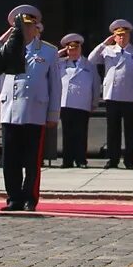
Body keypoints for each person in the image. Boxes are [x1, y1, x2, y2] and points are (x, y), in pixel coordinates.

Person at [0, 6, 58, 211]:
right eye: (20, 26)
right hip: (10, 110)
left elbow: (55, 85)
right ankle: (13, 197)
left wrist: (53, 113)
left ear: (36, 28)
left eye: (28, 26)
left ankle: (29, 198)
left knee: (32, 160)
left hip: (35, 110)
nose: (24, 29)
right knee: (10, 160)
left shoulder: (48, 51)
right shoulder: (7, 48)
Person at [90, 19, 133, 169]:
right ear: (114, 36)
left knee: (130, 130)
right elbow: (91, 59)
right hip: (112, 94)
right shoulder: (107, 50)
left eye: (124, 35)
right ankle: (113, 159)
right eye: (119, 35)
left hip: (130, 95)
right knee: (112, 129)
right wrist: (104, 43)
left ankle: (129, 160)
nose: (122, 38)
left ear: (129, 36)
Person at [55, 33, 95, 168]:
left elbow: (96, 83)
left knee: (81, 133)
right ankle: (67, 160)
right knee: (67, 133)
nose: (73, 51)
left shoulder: (89, 64)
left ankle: (81, 160)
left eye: (75, 48)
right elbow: (48, 60)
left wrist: (94, 101)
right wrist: (61, 52)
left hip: (82, 103)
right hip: (66, 102)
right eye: (70, 49)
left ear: (80, 49)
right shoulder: (61, 63)